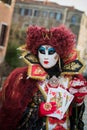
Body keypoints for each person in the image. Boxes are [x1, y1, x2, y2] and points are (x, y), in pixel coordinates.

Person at [0, 25, 87, 130]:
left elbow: (75, 118)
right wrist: (38, 111)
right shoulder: (24, 78)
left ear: (60, 53)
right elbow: (12, 114)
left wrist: (79, 102)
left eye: (51, 52)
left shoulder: (70, 79)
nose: (46, 56)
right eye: (42, 51)